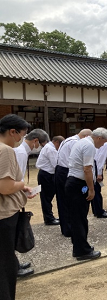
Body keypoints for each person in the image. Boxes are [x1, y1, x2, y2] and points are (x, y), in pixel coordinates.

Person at [0, 114, 35, 300]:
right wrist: (22, 185)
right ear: (12, 132)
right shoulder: (6, 150)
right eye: (22, 134)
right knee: (6, 268)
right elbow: (5, 187)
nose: (21, 139)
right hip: (4, 214)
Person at [65, 128, 107, 260]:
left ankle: (79, 246)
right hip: (78, 183)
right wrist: (91, 188)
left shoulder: (82, 142)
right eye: (103, 142)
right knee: (79, 218)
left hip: (73, 181)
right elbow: (87, 169)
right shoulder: (89, 146)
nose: (102, 145)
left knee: (77, 217)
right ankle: (81, 250)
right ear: (99, 138)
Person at [13, 128, 49, 278]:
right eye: (40, 144)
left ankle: (14, 264)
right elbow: (18, 178)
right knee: (11, 234)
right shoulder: (21, 153)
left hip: (16, 193)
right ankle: (13, 267)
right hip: (14, 196)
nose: (40, 148)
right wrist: (24, 191)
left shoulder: (20, 152)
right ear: (35, 141)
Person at [55, 129, 92, 237]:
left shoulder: (68, 140)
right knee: (69, 201)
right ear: (85, 136)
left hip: (61, 169)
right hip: (67, 171)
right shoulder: (76, 142)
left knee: (63, 201)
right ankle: (69, 228)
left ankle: (67, 227)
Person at [36, 135, 64, 225]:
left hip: (48, 174)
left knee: (48, 196)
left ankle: (50, 217)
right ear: (56, 142)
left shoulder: (49, 147)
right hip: (46, 175)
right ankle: (49, 218)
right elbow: (55, 164)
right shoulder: (51, 149)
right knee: (46, 197)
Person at [91, 139, 107, 218]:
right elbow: (100, 159)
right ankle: (99, 211)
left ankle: (95, 210)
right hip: (96, 167)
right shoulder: (106, 145)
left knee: (94, 189)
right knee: (97, 190)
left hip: (94, 166)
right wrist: (99, 173)